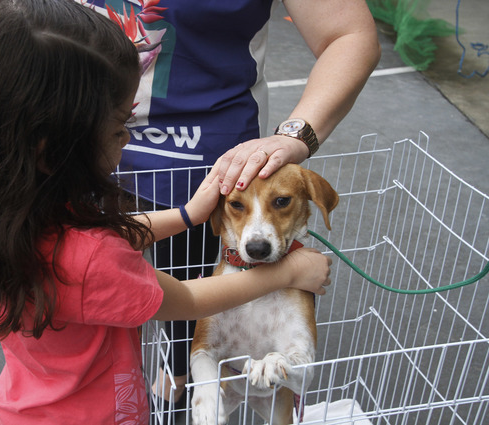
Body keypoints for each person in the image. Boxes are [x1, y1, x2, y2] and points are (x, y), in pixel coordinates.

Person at [0, 0, 332, 423]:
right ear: (52, 150)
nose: (129, 140)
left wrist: (189, 214)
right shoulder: (91, 259)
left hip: (27, 404)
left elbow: (107, 239)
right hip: (99, 413)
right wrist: (287, 275)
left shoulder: (6, 218)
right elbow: (188, 301)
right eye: (119, 127)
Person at [76, 0, 382, 408]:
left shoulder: (47, 234)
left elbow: (349, 33)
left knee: (159, 280)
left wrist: (293, 136)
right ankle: (168, 372)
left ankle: (172, 370)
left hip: (200, 165)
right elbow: (177, 299)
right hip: (88, 152)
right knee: (146, 292)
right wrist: (287, 271)